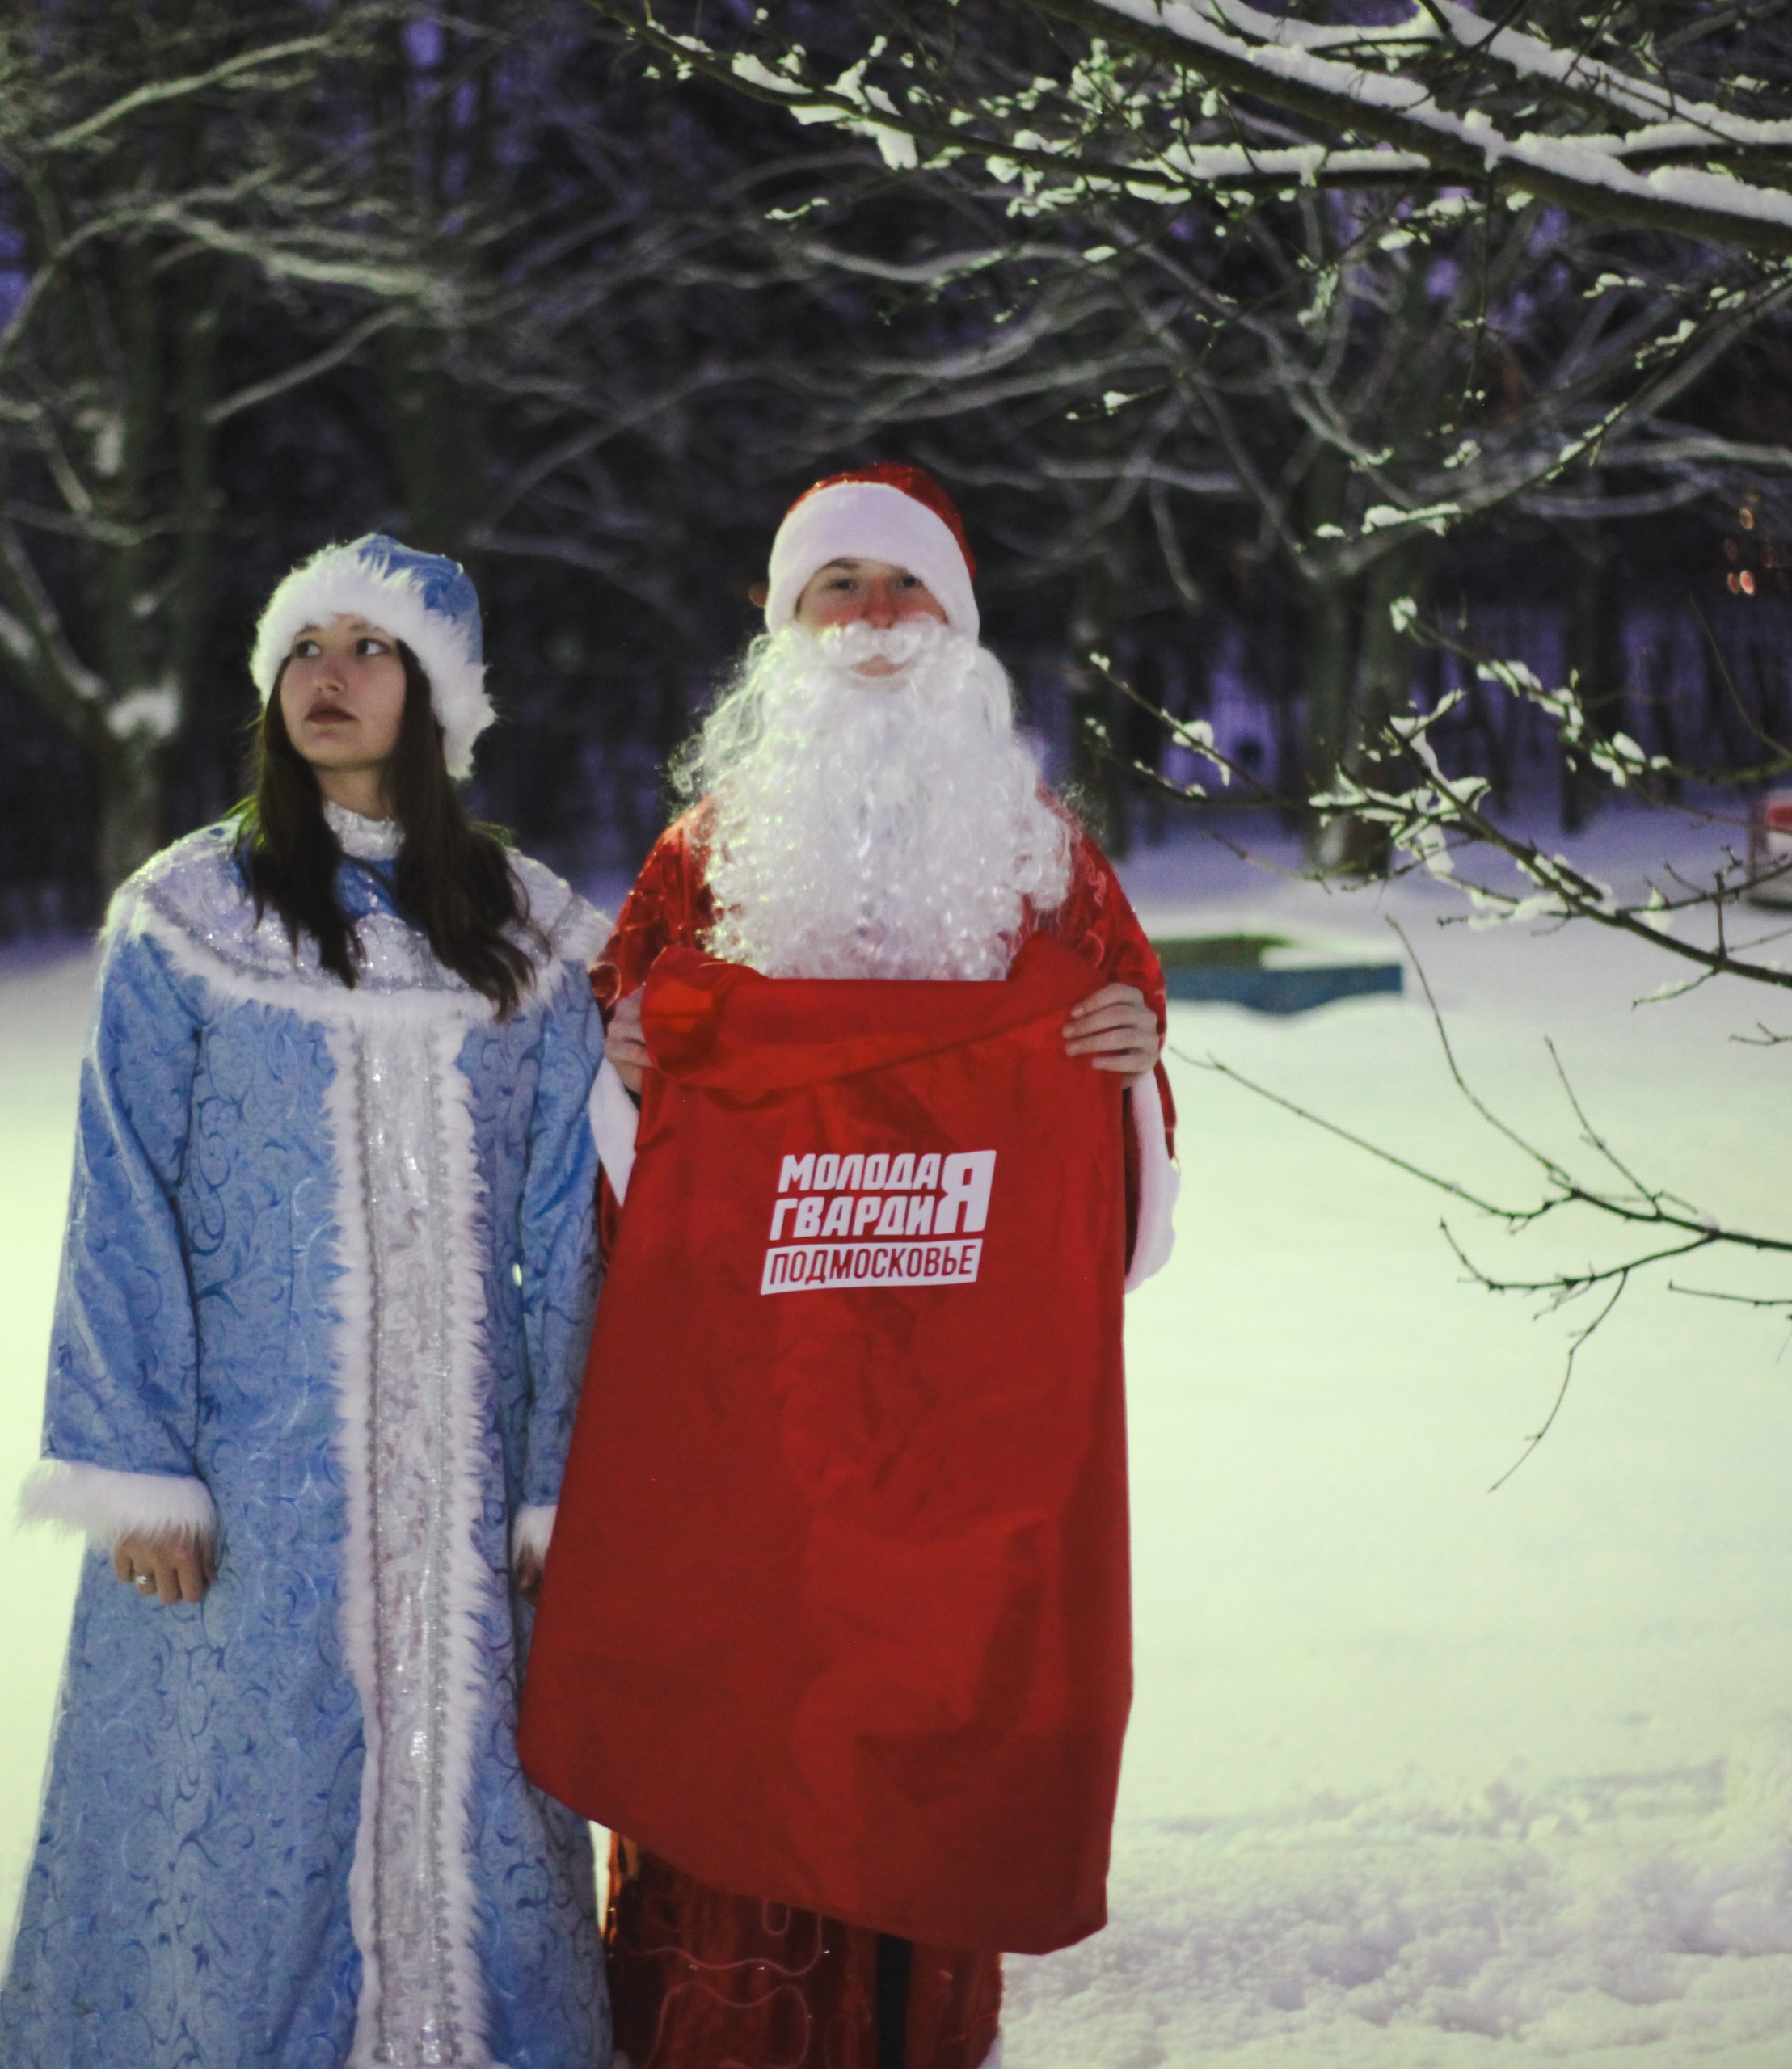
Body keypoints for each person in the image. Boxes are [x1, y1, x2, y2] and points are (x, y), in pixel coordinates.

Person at [573, 464, 1179, 2069]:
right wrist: (626, 1069)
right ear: (781, 629)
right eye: (832, 587)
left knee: (935, 1697)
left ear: (960, 627)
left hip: (955, 1410)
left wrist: (1121, 1066)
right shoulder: (702, 854)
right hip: (746, 1399)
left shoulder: (1037, 853)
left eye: (902, 587)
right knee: (738, 1690)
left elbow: (1111, 1086)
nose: (869, 619)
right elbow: (608, 1107)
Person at [0, 536, 614, 2069]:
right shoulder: (190, 912)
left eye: (371, 649)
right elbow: (120, 1193)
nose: (328, 677)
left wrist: (553, 1489)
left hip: (464, 1497)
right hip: (249, 1480)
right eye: (305, 649)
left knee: (477, 1798)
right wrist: (139, 1469)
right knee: (241, 1812)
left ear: (439, 692)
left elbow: (564, 1233)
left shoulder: (528, 931)